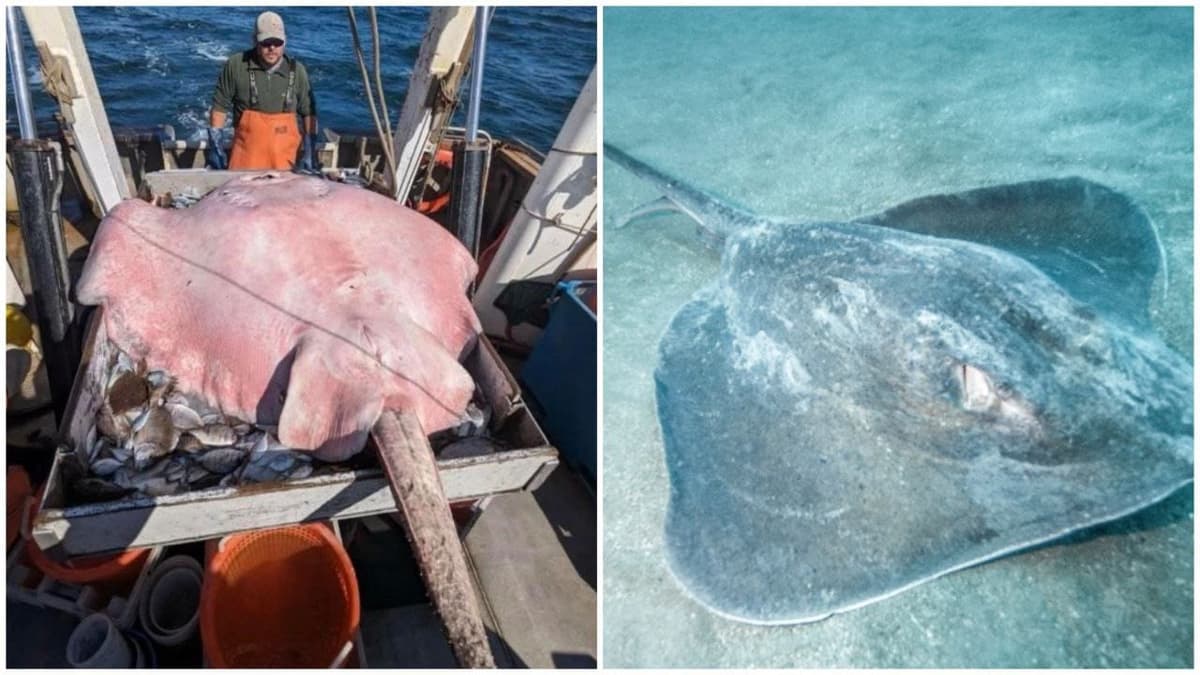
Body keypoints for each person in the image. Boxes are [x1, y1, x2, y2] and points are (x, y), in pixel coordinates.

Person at [206, 11, 318, 171]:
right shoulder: (237, 65)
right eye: (266, 43)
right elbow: (219, 107)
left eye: (277, 42)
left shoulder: (297, 71)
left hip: (285, 167)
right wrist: (216, 147)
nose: (272, 48)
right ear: (255, 41)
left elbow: (309, 113)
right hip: (244, 164)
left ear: (285, 42)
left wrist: (309, 151)